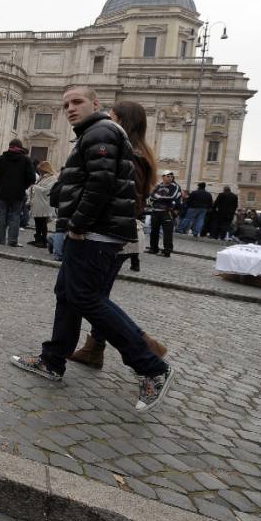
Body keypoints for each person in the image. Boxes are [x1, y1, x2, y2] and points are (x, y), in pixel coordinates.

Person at [11, 86, 173, 412]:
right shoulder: (94, 133)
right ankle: (53, 360)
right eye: (66, 104)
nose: (70, 108)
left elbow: (101, 184)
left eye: (77, 102)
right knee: (68, 295)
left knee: (86, 298)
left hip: (94, 234)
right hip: (94, 232)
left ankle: (150, 366)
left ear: (96, 105)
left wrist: (79, 224)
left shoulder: (100, 132)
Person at [68, 99, 167, 369]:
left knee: (91, 298)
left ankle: (142, 344)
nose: (107, 121)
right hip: (123, 231)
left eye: (112, 117)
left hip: (114, 231)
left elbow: (121, 196)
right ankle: (94, 348)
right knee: (98, 294)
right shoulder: (139, 152)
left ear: (123, 121)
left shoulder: (130, 155)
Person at [0, 139, 36, 247]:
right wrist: (23, 186)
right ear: (20, 147)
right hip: (18, 193)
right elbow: (32, 177)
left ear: (9, 146)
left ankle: (0, 239)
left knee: (2, 215)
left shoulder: (1, 159)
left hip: (3, 192)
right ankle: (12, 240)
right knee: (15, 216)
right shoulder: (26, 160)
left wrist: (0, 186)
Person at [147, 172, 181, 256]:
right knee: (154, 231)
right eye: (167, 176)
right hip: (155, 211)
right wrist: (157, 198)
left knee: (167, 232)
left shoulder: (175, 186)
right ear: (163, 177)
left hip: (167, 212)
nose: (170, 178)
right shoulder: (158, 186)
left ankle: (167, 251)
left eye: (171, 176)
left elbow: (172, 197)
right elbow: (151, 196)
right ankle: (153, 248)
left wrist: (158, 197)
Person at [28, 161, 57, 248]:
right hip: (37, 203)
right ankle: (37, 239)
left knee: (43, 223)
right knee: (37, 222)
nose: (40, 172)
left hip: (45, 204)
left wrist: (34, 186)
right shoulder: (42, 177)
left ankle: (43, 241)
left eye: (41, 170)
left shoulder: (52, 178)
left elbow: (48, 190)